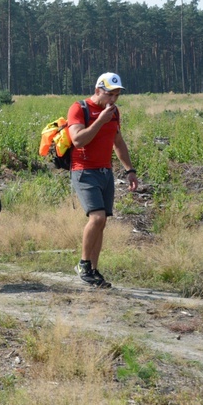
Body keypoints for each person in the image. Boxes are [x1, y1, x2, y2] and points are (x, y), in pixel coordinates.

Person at [68, 72, 138, 288]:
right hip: (83, 171)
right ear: (98, 90)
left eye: (117, 95)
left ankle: (93, 271)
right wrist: (99, 120)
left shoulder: (114, 113)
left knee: (102, 222)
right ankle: (83, 264)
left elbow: (118, 142)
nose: (114, 99)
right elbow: (78, 140)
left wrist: (130, 170)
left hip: (105, 172)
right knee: (96, 218)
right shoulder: (79, 108)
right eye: (110, 94)